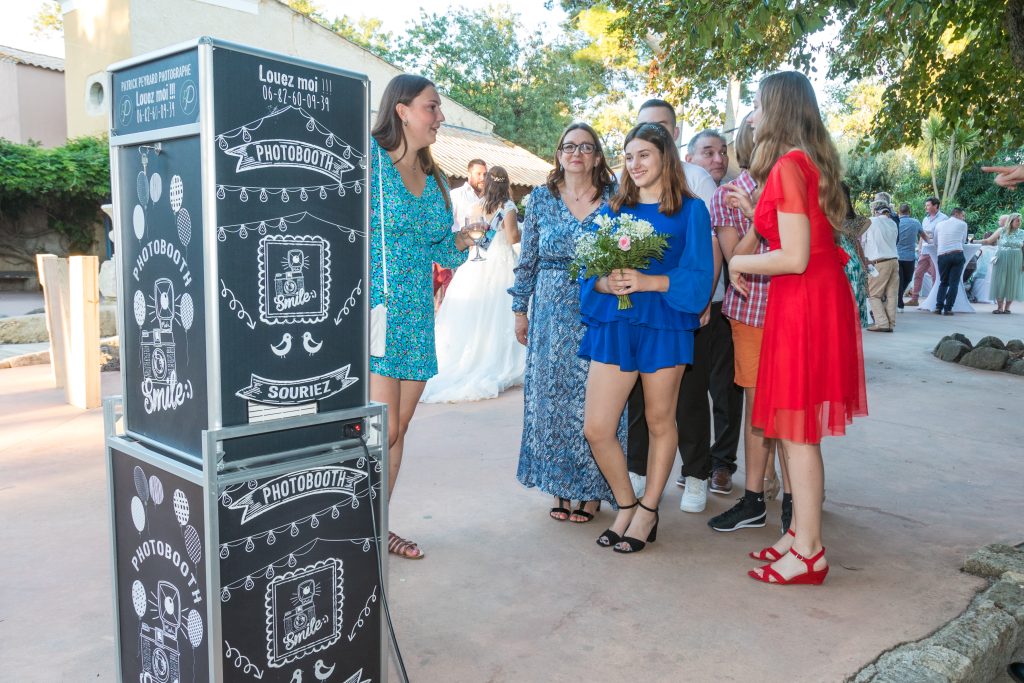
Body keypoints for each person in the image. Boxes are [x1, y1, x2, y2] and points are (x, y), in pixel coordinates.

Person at [728, 71, 867, 584]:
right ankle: (797, 535)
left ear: (780, 110)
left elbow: (793, 256)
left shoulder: (789, 165)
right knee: (793, 431)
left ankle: (809, 551)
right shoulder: (810, 161)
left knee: (798, 433)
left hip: (803, 300)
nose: (754, 115)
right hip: (810, 298)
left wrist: (737, 266)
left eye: (760, 105)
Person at [581, 122, 713, 553]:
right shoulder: (612, 210)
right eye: (629, 156)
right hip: (617, 325)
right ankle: (625, 503)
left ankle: (649, 511)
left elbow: (698, 278)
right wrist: (606, 284)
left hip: (665, 324)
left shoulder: (691, 211)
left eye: (644, 155)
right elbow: (588, 274)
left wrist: (648, 281)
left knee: (660, 421)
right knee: (597, 428)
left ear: (665, 158)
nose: (634, 164)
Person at [369, 74, 474, 559]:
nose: (440, 117)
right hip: (376, 310)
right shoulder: (367, 161)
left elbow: (438, 251)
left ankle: (376, 527)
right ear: (402, 110)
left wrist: (462, 241)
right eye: (432, 107)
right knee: (381, 429)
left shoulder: (433, 177)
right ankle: (356, 525)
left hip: (416, 313)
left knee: (399, 429)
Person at [627, 100, 738, 514]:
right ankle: (637, 468)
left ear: (673, 135)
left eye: (660, 128)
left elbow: (709, 243)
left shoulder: (696, 180)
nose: (651, 134)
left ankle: (695, 474)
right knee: (640, 395)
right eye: (644, 128)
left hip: (688, 305)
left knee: (690, 394)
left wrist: (705, 300)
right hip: (638, 308)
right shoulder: (630, 180)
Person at [510, 122, 620, 523]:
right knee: (552, 398)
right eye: (568, 146)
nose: (576, 153)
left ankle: (593, 488)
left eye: (586, 147)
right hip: (551, 312)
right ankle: (559, 485)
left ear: (597, 156)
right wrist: (520, 309)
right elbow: (529, 257)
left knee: (595, 398)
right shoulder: (540, 198)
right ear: (558, 155)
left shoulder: (615, 197)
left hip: (600, 306)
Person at [710, 114, 793, 533]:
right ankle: (755, 495)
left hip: (797, 309)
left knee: (796, 403)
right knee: (761, 408)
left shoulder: (797, 178)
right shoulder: (727, 195)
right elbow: (734, 262)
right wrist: (761, 216)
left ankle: (798, 497)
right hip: (754, 311)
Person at [422, 166, 526, 402]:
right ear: (506, 184)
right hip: (501, 264)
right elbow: (512, 238)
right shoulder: (508, 208)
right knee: (501, 311)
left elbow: (471, 236)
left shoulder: (475, 207)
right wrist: (521, 229)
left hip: (476, 264)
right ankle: (498, 360)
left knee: (473, 314)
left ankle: (466, 357)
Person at [435, 159, 488, 308]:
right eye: (478, 174)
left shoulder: (488, 199)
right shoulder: (456, 195)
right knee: (453, 297)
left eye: (485, 174)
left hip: (481, 257)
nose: (482, 178)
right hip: (458, 253)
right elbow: (445, 225)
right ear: (469, 174)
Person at [862, 199, 900, 332]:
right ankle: (891, 323)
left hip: (878, 263)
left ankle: (882, 323)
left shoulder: (871, 221)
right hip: (894, 261)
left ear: (875, 211)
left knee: (873, 294)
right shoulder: (893, 223)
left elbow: (862, 241)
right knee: (891, 295)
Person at [906, 197, 948, 306]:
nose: (926, 207)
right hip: (925, 251)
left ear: (935, 206)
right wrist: (920, 249)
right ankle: (914, 299)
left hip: (936, 251)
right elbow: (922, 235)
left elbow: (945, 235)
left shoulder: (944, 218)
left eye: (928, 205)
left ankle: (935, 300)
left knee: (935, 276)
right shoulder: (925, 219)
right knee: (918, 273)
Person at [980, 212, 1024, 313]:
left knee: (1013, 282)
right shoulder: (1001, 230)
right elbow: (988, 241)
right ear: (1011, 221)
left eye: (1020, 220)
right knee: (1000, 281)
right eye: (1017, 220)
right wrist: (973, 241)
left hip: (1016, 259)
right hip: (1001, 258)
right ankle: (999, 307)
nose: (1019, 222)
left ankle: (1007, 308)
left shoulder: (1022, 233)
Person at [932, 207, 969, 315]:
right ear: (957, 214)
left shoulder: (939, 224)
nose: (963, 218)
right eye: (963, 215)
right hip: (957, 253)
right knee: (954, 283)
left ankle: (938, 307)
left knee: (943, 282)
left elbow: (935, 241)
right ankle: (948, 308)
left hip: (943, 255)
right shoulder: (963, 225)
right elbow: (963, 241)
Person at [896, 204, 927, 311]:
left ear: (899, 212)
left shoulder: (895, 222)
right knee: (908, 279)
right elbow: (925, 237)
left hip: (897, 256)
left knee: (899, 280)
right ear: (909, 211)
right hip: (909, 257)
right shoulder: (916, 222)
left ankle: (898, 298)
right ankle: (899, 301)